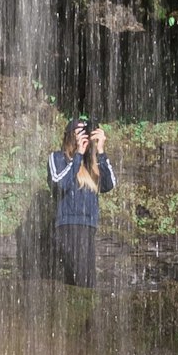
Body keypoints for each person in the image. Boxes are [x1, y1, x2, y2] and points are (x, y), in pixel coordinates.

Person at [48, 116, 116, 288]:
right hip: (69, 225)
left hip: (88, 226)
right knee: (83, 279)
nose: (84, 139)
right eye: (79, 134)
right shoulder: (58, 158)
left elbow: (108, 185)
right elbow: (59, 184)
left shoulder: (90, 163)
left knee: (85, 278)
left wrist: (100, 151)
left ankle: (82, 311)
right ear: (70, 136)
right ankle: (84, 311)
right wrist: (77, 155)